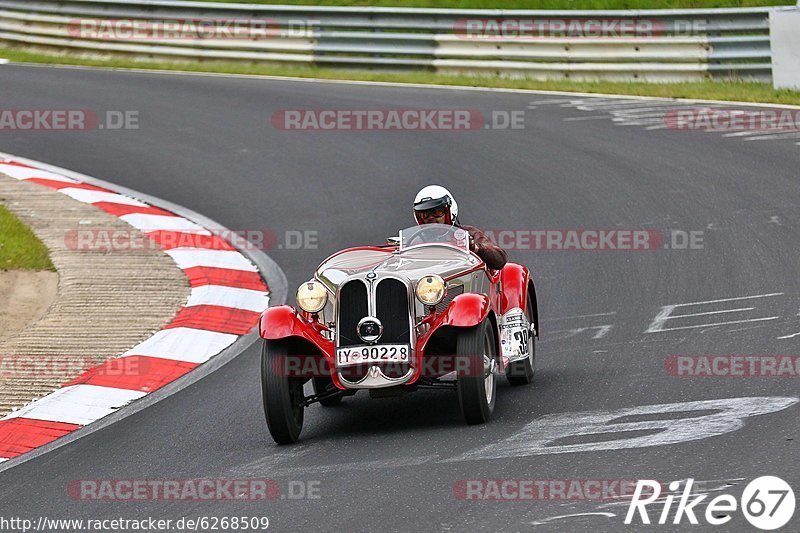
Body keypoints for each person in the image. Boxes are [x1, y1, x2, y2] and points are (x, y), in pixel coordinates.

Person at [413, 185, 507, 270]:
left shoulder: (468, 233)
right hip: (428, 286)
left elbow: (500, 259)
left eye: (437, 212)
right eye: (425, 214)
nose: (431, 218)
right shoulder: (414, 242)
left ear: (448, 212)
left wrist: (476, 248)